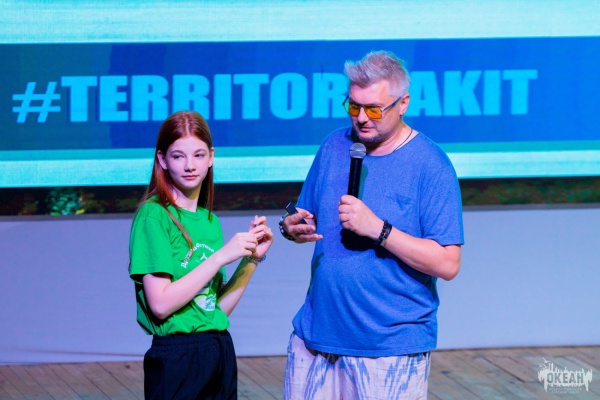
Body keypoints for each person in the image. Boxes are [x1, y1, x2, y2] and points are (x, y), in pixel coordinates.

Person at [280, 50, 464, 399]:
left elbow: (448, 263)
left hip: (388, 348)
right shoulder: (334, 146)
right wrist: (291, 227)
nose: (362, 118)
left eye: (374, 109)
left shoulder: (431, 166)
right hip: (315, 338)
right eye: (354, 106)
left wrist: (379, 230)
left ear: (403, 103)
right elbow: (305, 214)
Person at [129, 110, 274, 399]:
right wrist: (220, 257)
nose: (189, 165)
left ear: (211, 157)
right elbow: (160, 304)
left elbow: (214, 311)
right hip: (177, 358)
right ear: (162, 160)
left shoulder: (209, 222)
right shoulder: (154, 216)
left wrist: (251, 260)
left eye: (198, 155)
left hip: (217, 350)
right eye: (178, 156)